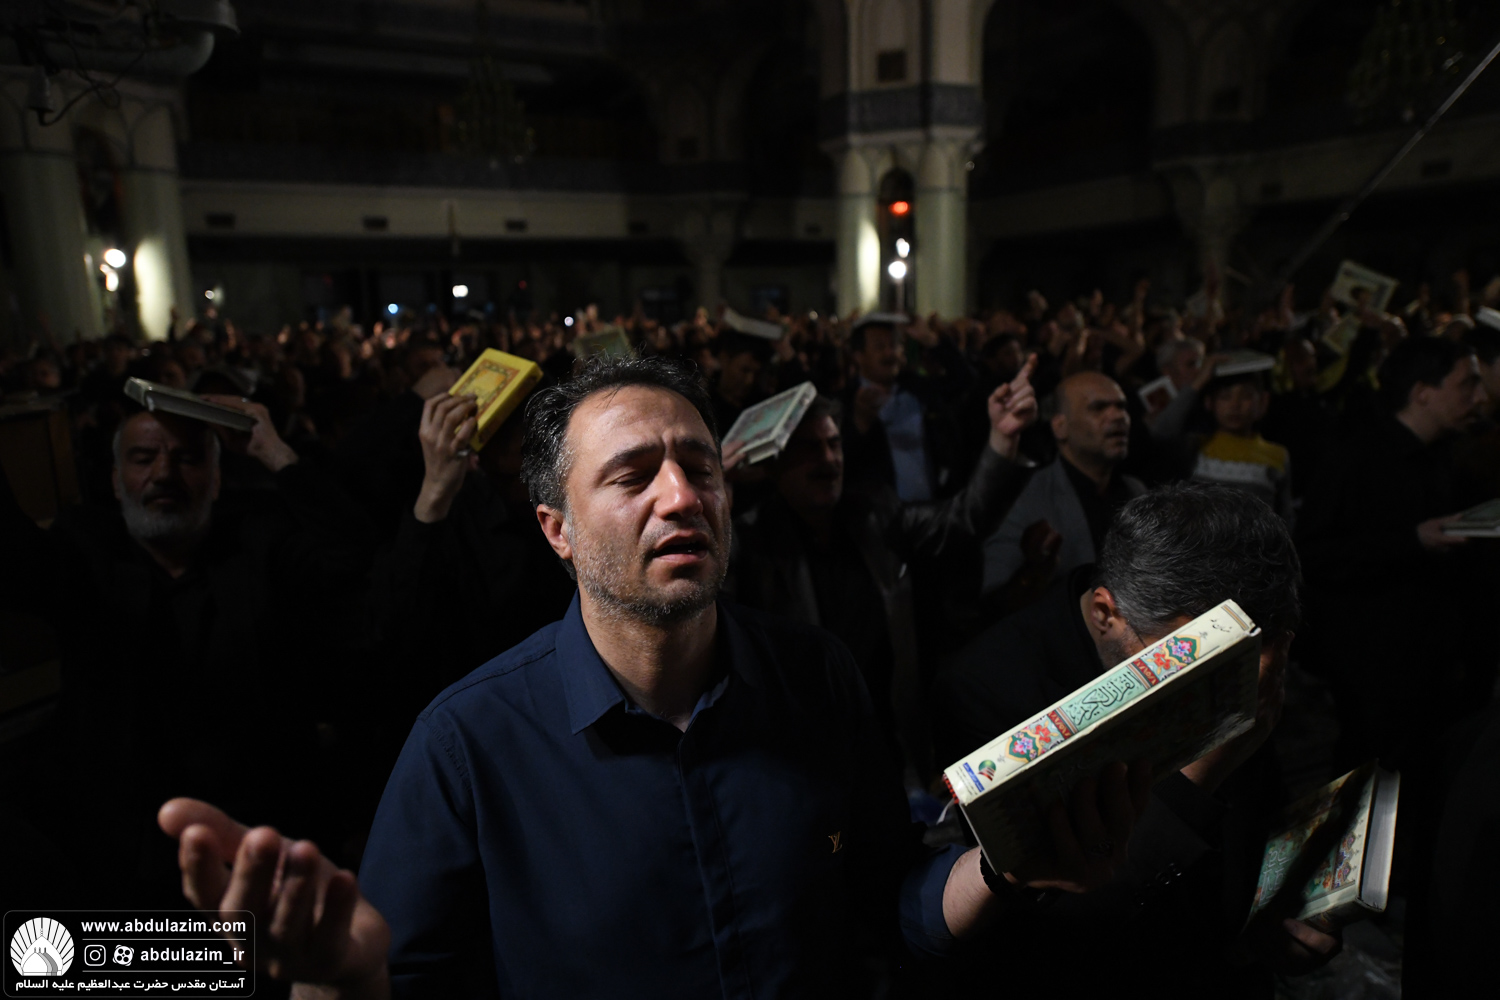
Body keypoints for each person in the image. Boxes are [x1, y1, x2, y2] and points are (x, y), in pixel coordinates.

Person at [158, 355, 1152, 999]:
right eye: (633, 475)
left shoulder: (818, 679)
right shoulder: (468, 745)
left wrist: (1006, 865)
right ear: (556, 529)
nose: (681, 496)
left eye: (701, 468)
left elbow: (887, 900)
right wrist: (335, 983)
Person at [933, 483, 1338, 995]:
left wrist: (1284, 909)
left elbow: (1256, 817)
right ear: (1106, 614)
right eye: (1204, 660)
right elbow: (1040, 934)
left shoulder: (1246, 657)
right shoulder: (985, 690)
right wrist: (1200, 772)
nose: (1242, 683)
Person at [0, 399, 367, 907]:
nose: (164, 474)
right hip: (124, 857)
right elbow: (11, 556)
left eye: (188, 459)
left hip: (260, 842)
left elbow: (353, 559)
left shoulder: (261, 543)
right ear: (115, 481)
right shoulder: (85, 549)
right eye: (143, 458)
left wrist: (276, 454)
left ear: (216, 481)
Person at [730, 356, 1039, 778]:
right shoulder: (752, 541)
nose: (828, 459)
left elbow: (962, 520)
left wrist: (1003, 439)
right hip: (804, 753)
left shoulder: (874, 512)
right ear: (774, 462)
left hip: (887, 740)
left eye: (834, 443)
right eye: (809, 448)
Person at [1298, 336, 1490, 767]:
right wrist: (1412, 541)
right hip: (1376, 669)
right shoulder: (1355, 458)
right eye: (1467, 383)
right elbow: (1314, 554)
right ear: (1423, 391)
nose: (1481, 397)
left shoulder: (1453, 456)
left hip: (1440, 663)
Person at [981, 371, 1144, 611]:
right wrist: (1035, 571)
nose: (1118, 416)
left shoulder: (1136, 491)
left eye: (1121, 406)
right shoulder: (1026, 497)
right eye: (1098, 408)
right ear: (1060, 427)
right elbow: (996, 599)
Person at [841, 313, 972, 502]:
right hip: (880, 514)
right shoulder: (845, 401)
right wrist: (860, 423)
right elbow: (843, 462)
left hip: (934, 507)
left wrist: (931, 341)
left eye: (894, 345)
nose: (890, 353)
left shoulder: (916, 388)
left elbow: (964, 380)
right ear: (858, 356)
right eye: (880, 347)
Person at [1188, 372, 1294, 524]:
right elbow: (1161, 431)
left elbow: (1285, 516)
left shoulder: (1276, 455)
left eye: (1246, 396)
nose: (1235, 405)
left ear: (1262, 401)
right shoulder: (1196, 446)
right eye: (1225, 397)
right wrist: (1199, 380)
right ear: (1210, 401)